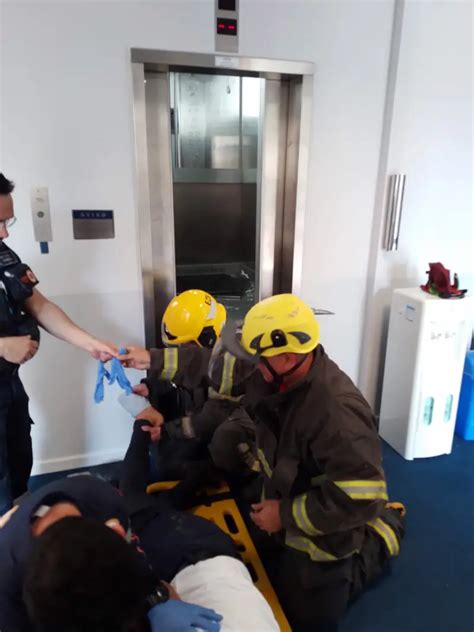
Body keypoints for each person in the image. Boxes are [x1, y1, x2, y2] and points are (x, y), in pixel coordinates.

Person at [120, 293, 405, 632]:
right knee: (267, 562)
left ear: (286, 357)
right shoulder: (279, 371)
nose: (250, 366)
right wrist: (149, 360)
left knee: (306, 620)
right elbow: (211, 364)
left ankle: (383, 532)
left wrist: (283, 515)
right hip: (288, 495)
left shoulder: (337, 415)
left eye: (257, 359)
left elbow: (361, 497)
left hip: (329, 534)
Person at [0, 405, 279, 632]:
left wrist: (156, 599)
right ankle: (190, 476)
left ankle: (165, 450)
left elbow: (138, 575)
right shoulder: (12, 594)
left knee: (142, 506)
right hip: (191, 551)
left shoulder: (97, 500)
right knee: (150, 509)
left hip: (191, 548)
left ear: (117, 531)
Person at [0, 173, 117, 514]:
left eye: (8, 221)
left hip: (9, 388)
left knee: (19, 466)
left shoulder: (3, 255)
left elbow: (40, 306)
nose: (5, 232)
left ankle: (18, 533)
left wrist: (90, 342)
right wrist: (2, 346)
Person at [133, 289, 258, 479]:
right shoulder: (208, 351)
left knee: (214, 448)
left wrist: (166, 432)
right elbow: (184, 375)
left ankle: (224, 476)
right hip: (205, 421)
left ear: (207, 337)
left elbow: (211, 418)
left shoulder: (233, 360)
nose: (181, 353)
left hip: (232, 433)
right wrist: (151, 387)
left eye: (186, 346)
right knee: (167, 463)